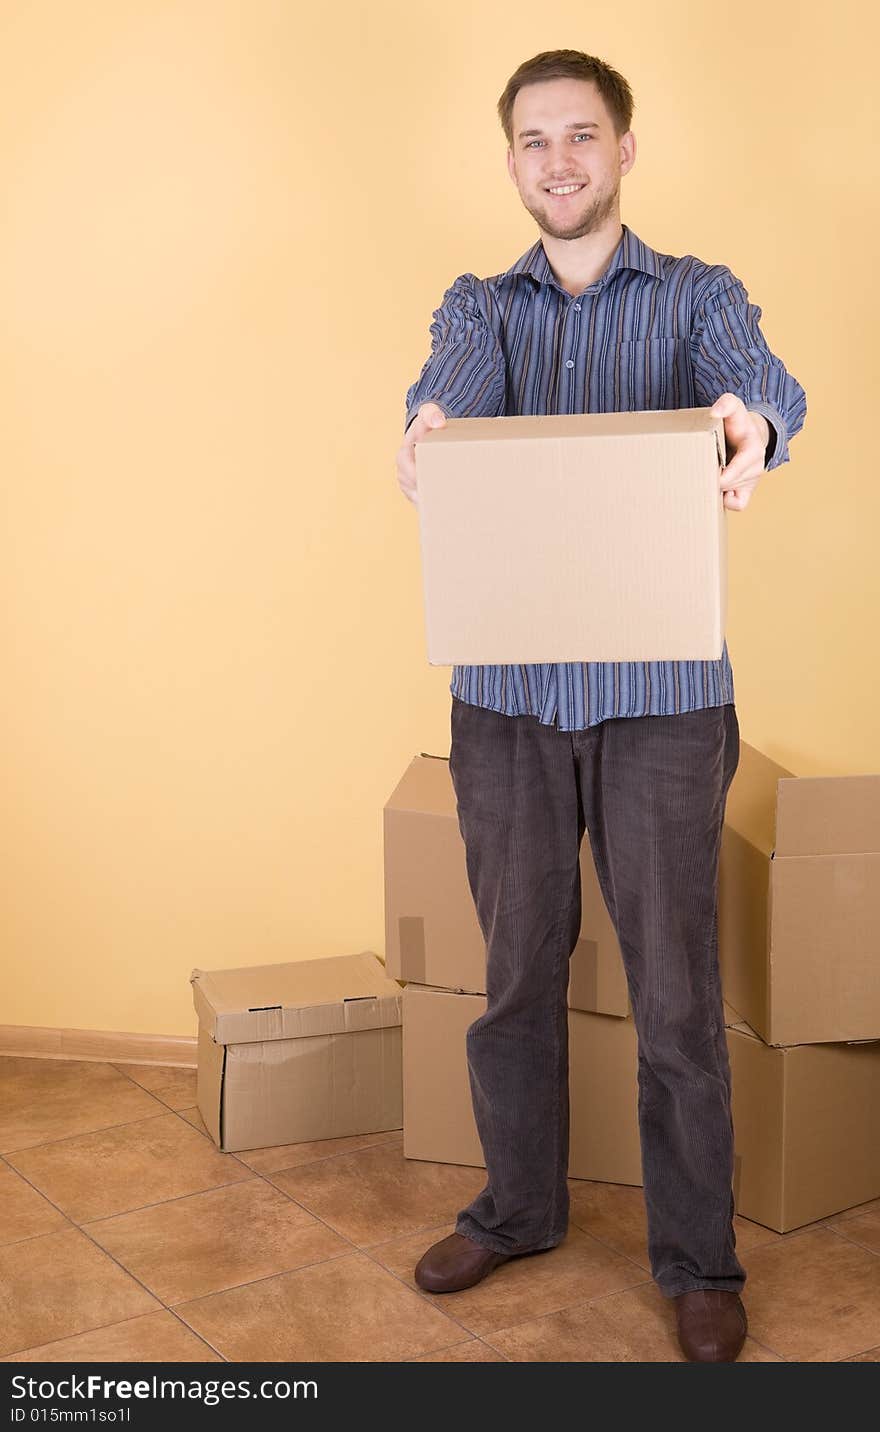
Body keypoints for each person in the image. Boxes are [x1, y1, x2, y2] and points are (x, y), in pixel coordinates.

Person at [395, 49, 806, 1364]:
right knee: (514, 977)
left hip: (663, 706)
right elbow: (447, 387)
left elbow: (760, 380)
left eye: (583, 136)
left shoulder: (696, 298)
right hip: (509, 706)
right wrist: (427, 429)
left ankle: (698, 1261)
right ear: (511, 160)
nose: (558, 162)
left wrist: (749, 425)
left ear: (626, 150)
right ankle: (518, 1210)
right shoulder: (484, 306)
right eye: (533, 142)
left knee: (676, 996)